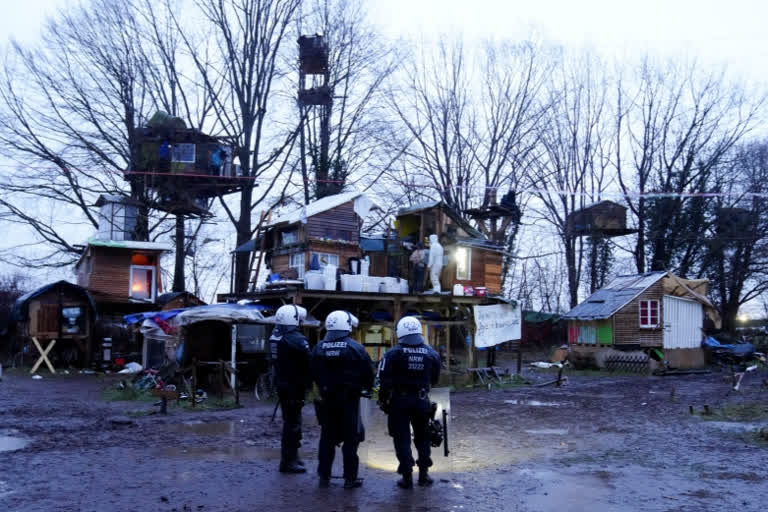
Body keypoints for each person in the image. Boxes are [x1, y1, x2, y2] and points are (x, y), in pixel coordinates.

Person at [311, 310, 374, 489]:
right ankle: (350, 479)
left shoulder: (318, 347)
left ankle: (324, 476)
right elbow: (368, 373)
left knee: (327, 439)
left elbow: (313, 372)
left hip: (327, 401)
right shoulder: (355, 348)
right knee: (351, 440)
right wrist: (367, 389)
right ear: (347, 326)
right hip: (349, 401)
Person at [377, 316, 441, 489]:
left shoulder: (392, 354)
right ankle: (423, 476)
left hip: (399, 402)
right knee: (423, 437)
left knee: (402, 439)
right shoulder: (431, 353)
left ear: (400, 333)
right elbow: (435, 380)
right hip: (421, 401)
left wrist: (383, 400)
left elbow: (383, 381)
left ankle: (407, 478)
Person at [269, 304, 311, 474]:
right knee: (292, 424)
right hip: (294, 385)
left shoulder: (276, 335)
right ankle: (288, 461)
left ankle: (292, 457)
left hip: (283, 383)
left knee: (290, 421)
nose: (300, 323)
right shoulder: (295, 338)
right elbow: (309, 361)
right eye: (298, 320)